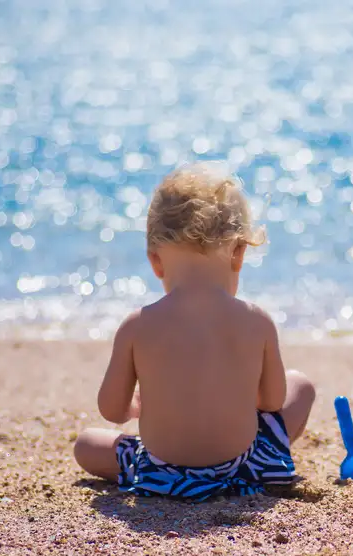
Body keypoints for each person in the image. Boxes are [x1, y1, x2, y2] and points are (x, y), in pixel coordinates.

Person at [72, 163, 317, 501]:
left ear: (156, 261)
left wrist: (137, 408)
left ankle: (176, 477)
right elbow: (272, 401)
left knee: (87, 444)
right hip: (242, 466)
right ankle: (265, 468)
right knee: (300, 385)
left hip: (161, 471)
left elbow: (111, 410)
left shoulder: (136, 325)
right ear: (239, 254)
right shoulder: (257, 321)